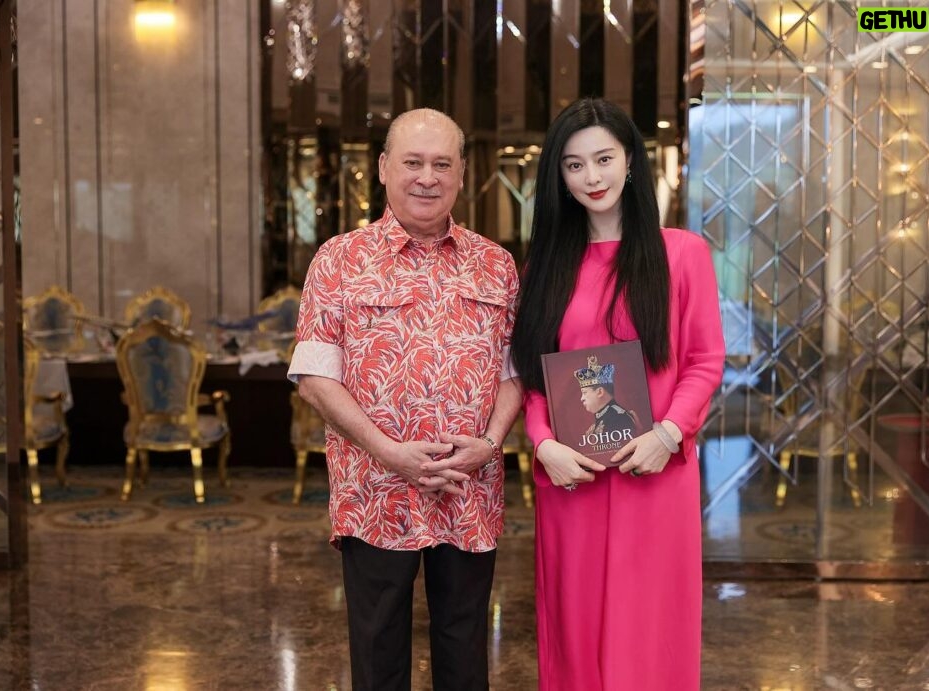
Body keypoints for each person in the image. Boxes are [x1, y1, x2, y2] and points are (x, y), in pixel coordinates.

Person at [288, 108, 522, 691]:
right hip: (376, 490)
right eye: (413, 162)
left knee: (464, 645)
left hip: (469, 488)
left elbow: (517, 373)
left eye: (442, 164)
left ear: (462, 175)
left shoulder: (497, 264)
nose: (427, 177)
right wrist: (390, 452)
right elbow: (316, 377)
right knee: (377, 647)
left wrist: (490, 443)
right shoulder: (339, 260)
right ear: (385, 169)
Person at [510, 98, 725, 690]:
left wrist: (668, 433)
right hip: (572, 477)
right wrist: (543, 444)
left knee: (650, 625)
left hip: (654, 472)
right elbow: (534, 375)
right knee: (575, 625)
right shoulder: (547, 266)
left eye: (603, 159)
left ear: (630, 162)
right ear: (559, 175)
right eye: (574, 165)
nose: (592, 177)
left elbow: (704, 361)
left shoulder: (681, 253)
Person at [575, 355, 640, 438]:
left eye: (584, 392)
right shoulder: (603, 419)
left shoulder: (619, 418)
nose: (582, 398)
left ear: (600, 392)